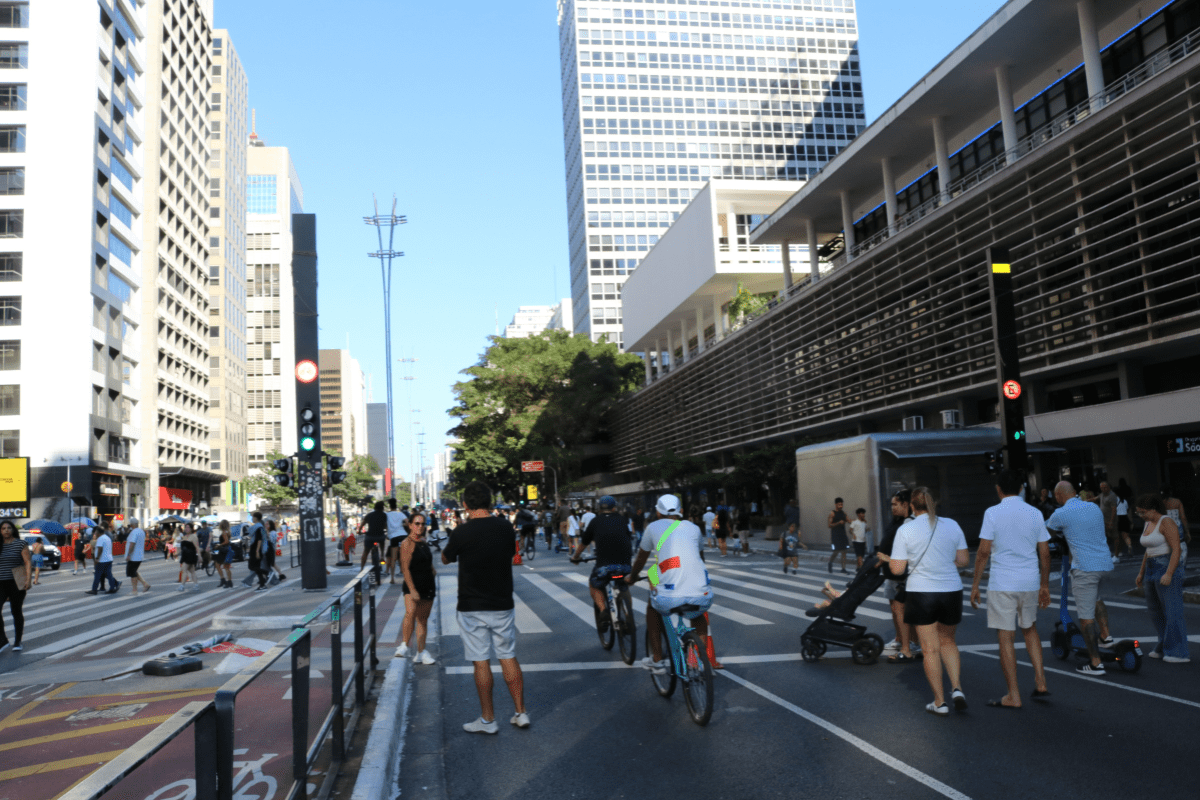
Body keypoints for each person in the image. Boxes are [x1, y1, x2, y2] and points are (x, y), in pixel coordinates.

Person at [441, 481, 529, 733]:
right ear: (490, 503)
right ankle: (521, 712)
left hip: (471, 604)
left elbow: (446, 558)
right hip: (502, 601)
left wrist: (456, 535)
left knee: (481, 662)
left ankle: (488, 720)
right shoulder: (505, 527)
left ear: (465, 504)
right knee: (508, 655)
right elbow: (511, 552)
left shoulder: (462, 532)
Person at [970, 471, 1051, 708]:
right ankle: (1041, 681)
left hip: (1002, 582)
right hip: (1029, 581)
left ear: (999, 489)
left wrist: (975, 585)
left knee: (1005, 637)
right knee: (1030, 628)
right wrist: (1044, 584)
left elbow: (984, 551)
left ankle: (1013, 695)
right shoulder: (1035, 513)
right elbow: (1044, 553)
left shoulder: (992, 513)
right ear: (1022, 488)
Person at [889, 486, 969, 716]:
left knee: (930, 649)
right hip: (951, 590)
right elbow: (963, 560)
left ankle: (940, 702)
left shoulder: (906, 529)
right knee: (948, 642)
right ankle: (957, 689)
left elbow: (897, 569)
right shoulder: (951, 525)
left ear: (912, 506)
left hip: (921, 593)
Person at [626, 494, 714, 675]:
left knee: (653, 609)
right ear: (681, 511)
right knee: (698, 615)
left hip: (669, 598)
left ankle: (657, 659)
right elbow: (698, 559)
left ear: (658, 512)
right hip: (702, 594)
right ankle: (700, 660)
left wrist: (632, 577)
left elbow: (641, 559)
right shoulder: (693, 528)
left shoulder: (652, 527)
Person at [1046, 481, 1116, 675]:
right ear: (1075, 493)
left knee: (1085, 616)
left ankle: (1095, 663)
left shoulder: (1060, 513)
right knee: (1097, 599)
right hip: (1105, 564)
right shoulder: (1093, 507)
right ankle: (1106, 636)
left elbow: (1046, 532)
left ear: (1059, 496)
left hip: (1085, 568)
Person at [1134, 493, 1190, 662]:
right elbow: (1147, 551)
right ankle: (1164, 644)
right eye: (1139, 513)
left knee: (1173, 611)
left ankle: (1179, 652)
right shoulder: (1148, 522)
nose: (1142, 516)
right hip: (1152, 568)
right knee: (1154, 610)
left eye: (1143, 512)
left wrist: (1169, 573)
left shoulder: (1166, 522)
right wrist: (1141, 572)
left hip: (1165, 566)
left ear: (1153, 509)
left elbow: (1176, 549)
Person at [571, 495, 632, 624]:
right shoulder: (623, 520)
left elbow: (584, 543)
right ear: (614, 508)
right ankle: (628, 615)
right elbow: (628, 537)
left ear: (599, 509)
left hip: (605, 567)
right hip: (625, 565)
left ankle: (603, 610)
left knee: (594, 584)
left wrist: (576, 557)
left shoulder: (595, 521)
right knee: (624, 584)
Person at [878, 490, 919, 663]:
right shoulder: (897, 522)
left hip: (900, 574)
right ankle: (899, 639)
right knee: (895, 609)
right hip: (891, 572)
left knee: (901, 610)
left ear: (906, 504)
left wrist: (887, 559)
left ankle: (909, 645)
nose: (892, 507)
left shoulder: (910, 523)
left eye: (896, 504)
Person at [396, 511, 437, 665]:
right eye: (417, 523)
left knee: (423, 620)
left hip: (428, 584)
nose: (420, 526)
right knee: (410, 613)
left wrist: (433, 570)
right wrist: (412, 589)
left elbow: (426, 560)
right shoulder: (407, 543)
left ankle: (421, 652)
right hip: (412, 584)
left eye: (422, 524)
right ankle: (404, 645)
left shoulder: (423, 541)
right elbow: (405, 568)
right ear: (410, 525)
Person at [0, 520, 31, 652]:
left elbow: (27, 562)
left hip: (16, 581)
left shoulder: (20, 544)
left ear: (13, 530)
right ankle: (3, 640)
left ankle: (18, 641)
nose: (6, 530)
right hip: (0, 582)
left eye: (9, 528)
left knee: (16, 611)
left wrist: (28, 580)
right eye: (3, 528)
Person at [86, 522, 120, 595]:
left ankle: (94, 590)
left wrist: (97, 558)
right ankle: (112, 587)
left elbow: (100, 549)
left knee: (97, 575)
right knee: (109, 575)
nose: (95, 533)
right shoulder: (107, 538)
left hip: (102, 560)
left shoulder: (100, 539)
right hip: (109, 559)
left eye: (96, 532)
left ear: (98, 532)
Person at [358, 501, 389, 572]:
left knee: (366, 551)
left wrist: (359, 531)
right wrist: (387, 533)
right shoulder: (384, 515)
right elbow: (386, 525)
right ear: (382, 508)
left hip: (370, 536)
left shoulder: (369, 515)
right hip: (380, 536)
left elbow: (362, 524)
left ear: (375, 507)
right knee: (382, 543)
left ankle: (362, 568)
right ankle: (382, 556)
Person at [385, 498, 409, 584]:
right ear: (396, 505)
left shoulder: (386, 515)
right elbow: (407, 523)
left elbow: (385, 525)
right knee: (404, 558)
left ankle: (392, 578)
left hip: (394, 537)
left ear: (389, 506)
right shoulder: (401, 514)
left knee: (393, 559)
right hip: (403, 536)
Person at [125, 518, 151, 596]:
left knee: (132, 573)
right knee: (134, 571)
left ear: (132, 525)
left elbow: (132, 544)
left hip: (133, 556)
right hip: (139, 555)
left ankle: (134, 590)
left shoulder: (134, 532)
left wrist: (129, 554)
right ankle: (145, 584)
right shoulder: (141, 531)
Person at [246, 512, 270, 591]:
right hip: (255, 549)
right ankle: (263, 583)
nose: (252, 519)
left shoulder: (258, 527)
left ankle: (266, 574)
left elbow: (259, 540)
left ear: (256, 518)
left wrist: (257, 551)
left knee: (253, 566)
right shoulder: (258, 527)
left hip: (256, 550)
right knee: (254, 567)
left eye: (253, 517)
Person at [827, 497, 850, 574]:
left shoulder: (844, 513)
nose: (841, 506)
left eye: (842, 504)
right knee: (836, 552)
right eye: (839, 504)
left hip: (843, 535)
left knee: (844, 552)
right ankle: (830, 562)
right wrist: (838, 523)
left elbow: (848, 520)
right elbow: (829, 525)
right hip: (835, 536)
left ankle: (843, 568)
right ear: (836, 504)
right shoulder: (832, 513)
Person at [1099, 481, 1120, 558]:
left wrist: (1111, 521)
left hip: (1111, 520)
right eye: (1101, 488)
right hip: (1103, 520)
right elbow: (1096, 498)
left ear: (1108, 487)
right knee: (1104, 537)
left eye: (1104, 487)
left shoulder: (1112, 496)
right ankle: (1107, 553)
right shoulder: (1102, 495)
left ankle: (1116, 555)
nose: (1103, 489)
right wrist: (1086, 500)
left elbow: (1114, 509)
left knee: (1115, 536)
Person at [178, 523, 200, 591]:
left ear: (191, 528)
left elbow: (197, 547)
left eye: (188, 527)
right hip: (185, 556)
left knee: (184, 570)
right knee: (192, 571)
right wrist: (177, 553)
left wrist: (199, 556)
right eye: (186, 527)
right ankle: (196, 585)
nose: (186, 529)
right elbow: (182, 545)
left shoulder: (193, 536)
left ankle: (182, 586)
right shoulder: (185, 536)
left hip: (190, 555)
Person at [215, 520, 234, 588]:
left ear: (222, 525)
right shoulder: (228, 532)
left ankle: (224, 580)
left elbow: (226, 541)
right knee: (226, 567)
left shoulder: (224, 532)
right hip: (226, 551)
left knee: (219, 565)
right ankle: (229, 582)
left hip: (223, 551)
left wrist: (219, 545)